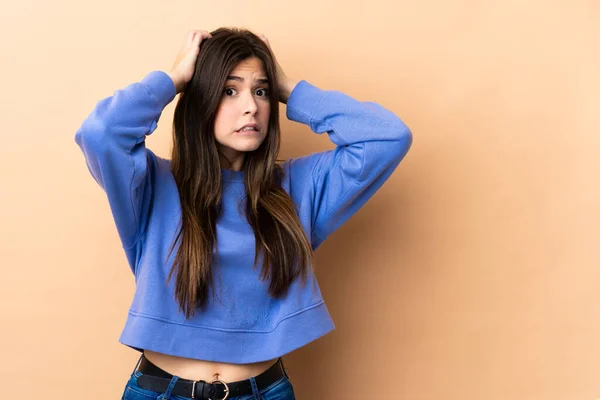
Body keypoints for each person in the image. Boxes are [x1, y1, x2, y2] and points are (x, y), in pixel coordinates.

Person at [74, 27, 412, 400]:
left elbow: (389, 137)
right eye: (229, 90)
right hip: (161, 392)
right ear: (200, 99)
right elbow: (101, 132)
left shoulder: (298, 187)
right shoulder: (151, 184)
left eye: (261, 91)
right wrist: (173, 80)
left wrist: (287, 87)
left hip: (263, 392)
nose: (251, 105)